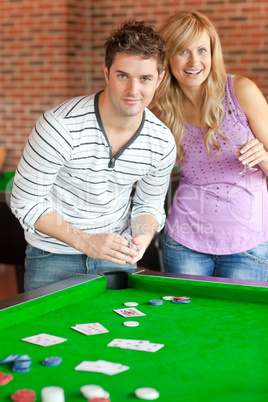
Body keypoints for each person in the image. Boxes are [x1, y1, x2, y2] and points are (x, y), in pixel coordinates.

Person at [11, 20, 176, 291]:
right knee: (44, 334)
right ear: (106, 72)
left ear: (159, 79)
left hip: (117, 258)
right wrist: (86, 241)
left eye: (145, 79)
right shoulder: (59, 126)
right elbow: (25, 201)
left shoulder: (161, 141)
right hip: (52, 258)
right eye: (123, 76)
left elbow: (149, 207)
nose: (134, 91)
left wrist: (141, 240)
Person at [154, 11, 268, 281]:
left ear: (212, 54)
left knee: (239, 323)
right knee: (186, 322)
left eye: (202, 50)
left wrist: (263, 157)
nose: (194, 61)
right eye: (182, 51)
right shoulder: (163, 111)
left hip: (247, 241)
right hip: (184, 241)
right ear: (167, 57)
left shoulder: (241, 91)